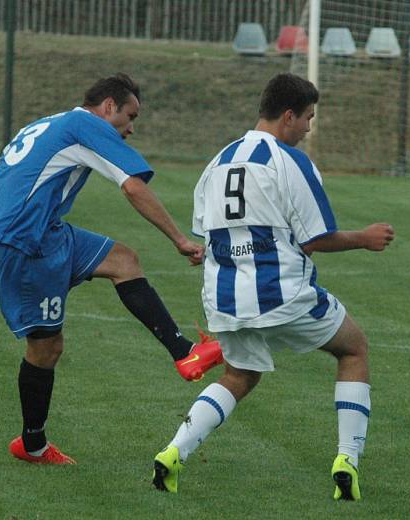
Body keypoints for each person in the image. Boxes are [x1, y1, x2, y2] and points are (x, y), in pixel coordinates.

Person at [151, 73, 395, 501]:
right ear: (288, 116)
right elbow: (316, 238)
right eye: (308, 118)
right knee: (353, 348)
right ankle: (347, 461)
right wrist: (365, 237)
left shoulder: (217, 162)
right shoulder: (289, 161)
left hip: (224, 298)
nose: (308, 128)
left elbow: (210, 236)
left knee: (240, 375)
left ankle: (173, 452)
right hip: (282, 294)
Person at [0, 73, 224, 465]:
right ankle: (32, 445)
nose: (130, 128)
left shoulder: (52, 122)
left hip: (44, 232)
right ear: (108, 106)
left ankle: (185, 353)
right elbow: (133, 186)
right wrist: (179, 239)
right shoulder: (87, 125)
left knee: (123, 260)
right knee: (45, 349)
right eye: (130, 116)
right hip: (25, 243)